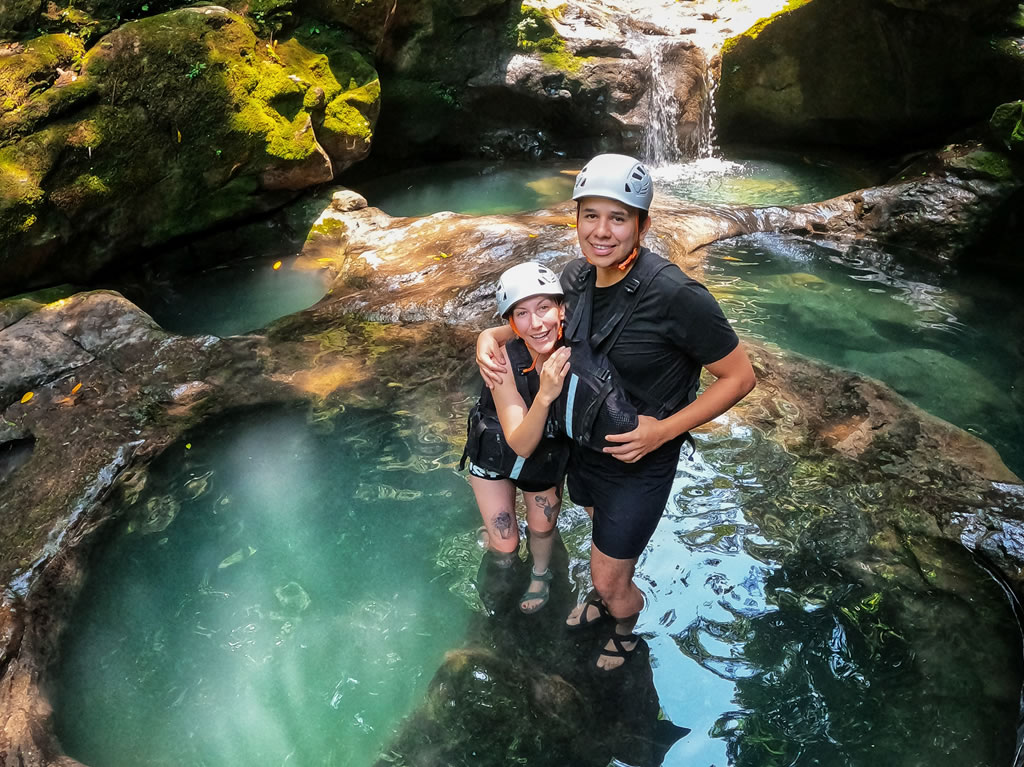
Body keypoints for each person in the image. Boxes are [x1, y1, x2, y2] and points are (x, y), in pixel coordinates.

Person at [476, 154, 756, 669]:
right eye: (590, 215)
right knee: (602, 544)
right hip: (584, 451)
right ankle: (605, 595)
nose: (601, 231)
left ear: (642, 225)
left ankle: (624, 626)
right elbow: (535, 325)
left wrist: (663, 431)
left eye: (618, 218)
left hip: (641, 460)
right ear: (576, 218)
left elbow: (740, 377)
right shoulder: (575, 278)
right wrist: (488, 337)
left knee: (609, 576)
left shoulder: (675, 295)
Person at [462, 262, 572, 614]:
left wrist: (488, 333)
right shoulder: (502, 358)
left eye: (544, 308)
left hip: (546, 454)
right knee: (505, 542)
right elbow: (520, 443)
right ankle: (500, 562)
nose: (536, 323)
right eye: (521, 313)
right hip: (497, 451)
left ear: (562, 309)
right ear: (510, 322)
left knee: (542, 528)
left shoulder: (574, 343)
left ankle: (540, 574)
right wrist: (545, 395)